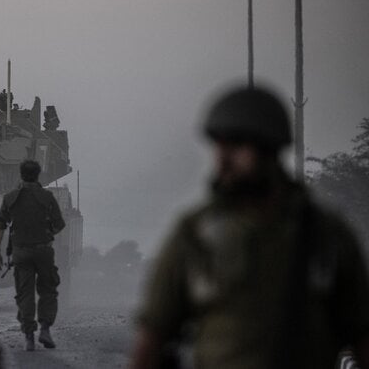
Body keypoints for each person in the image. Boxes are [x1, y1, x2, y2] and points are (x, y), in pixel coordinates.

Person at [128, 85, 369, 369]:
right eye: (219, 146)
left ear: (269, 149)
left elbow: (362, 336)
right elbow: (152, 339)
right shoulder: (196, 234)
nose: (222, 159)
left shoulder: (328, 235)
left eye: (236, 146)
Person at [0, 159, 66, 351]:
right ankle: (45, 329)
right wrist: (47, 233)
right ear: (38, 174)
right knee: (48, 291)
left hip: (20, 252)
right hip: (43, 250)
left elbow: (0, 227)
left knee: (25, 294)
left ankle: (29, 337)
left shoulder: (10, 198)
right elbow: (59, 224)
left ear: (21, 174)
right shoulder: (47, 196)